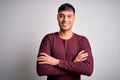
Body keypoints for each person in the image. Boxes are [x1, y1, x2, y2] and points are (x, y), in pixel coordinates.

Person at [36, 3, 94, 80]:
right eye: (61, 16)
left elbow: (88, 70)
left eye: (69, 16)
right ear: (57, 18)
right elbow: (41, 70)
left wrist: (57, 62)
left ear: (74, 18)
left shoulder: (82, 40)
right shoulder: (48, 39)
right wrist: (73, 65)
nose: (65, 20)